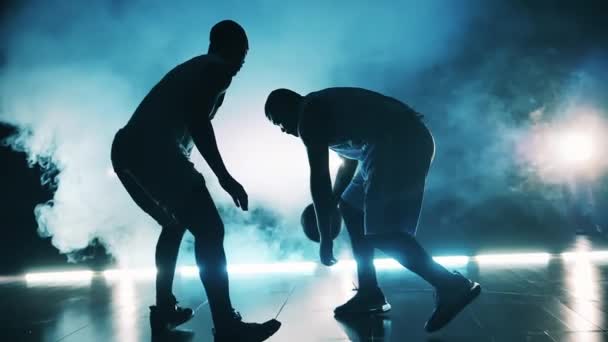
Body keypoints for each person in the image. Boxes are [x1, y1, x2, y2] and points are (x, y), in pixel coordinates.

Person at [111, 20, 280, 340]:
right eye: (241, 49)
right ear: (226, 46)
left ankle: (163, 313)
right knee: (211, 229)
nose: (244, 58)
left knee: (174, 225)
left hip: (126, 150)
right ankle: (227, 325)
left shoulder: (198, 68)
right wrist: (225, 177)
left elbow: (188, 119)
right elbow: (197, 121)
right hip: (152, 150)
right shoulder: (218, 69)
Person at [264, 87, 481, 332]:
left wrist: (326, 239)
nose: (282, 129)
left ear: (289, 105)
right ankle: (369, 292)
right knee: (351, 207)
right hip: (388, 144)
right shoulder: (322, 107)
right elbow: (347, 162)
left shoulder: (308, 117)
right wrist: (334, 202)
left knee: (382, 233)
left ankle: (450, 284)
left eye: (279, 120)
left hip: (396, 144)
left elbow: (320, 179)